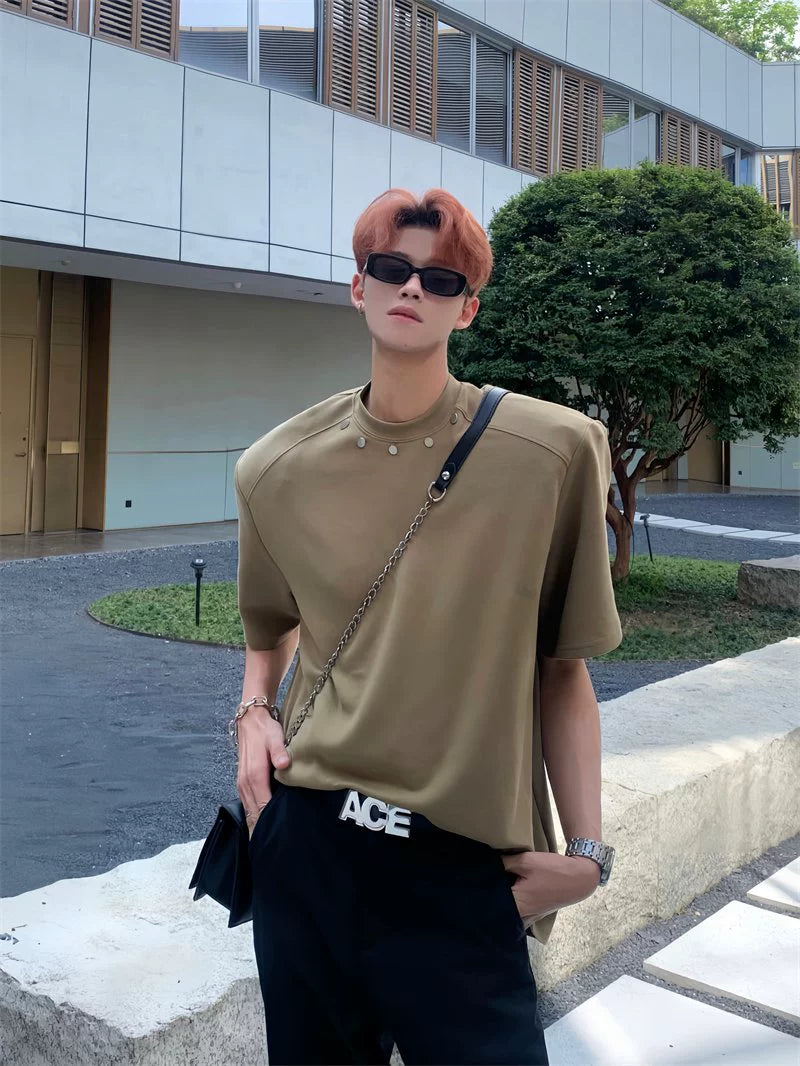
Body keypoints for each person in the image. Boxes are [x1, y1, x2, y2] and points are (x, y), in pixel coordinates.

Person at [232, 187, 623, 1066]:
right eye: (391, 268)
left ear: (467, 307)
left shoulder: (553, 452)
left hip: (465, 871)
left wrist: (587, 855)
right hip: (311, 848)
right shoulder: (276, 468)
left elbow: (563, 670)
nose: (412, 287)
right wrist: (253, 710)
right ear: (358, 287)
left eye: (441, 278)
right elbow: (270, 626)